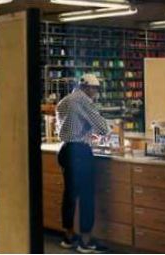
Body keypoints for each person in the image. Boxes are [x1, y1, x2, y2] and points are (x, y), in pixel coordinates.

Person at [55, 73, 110, 253]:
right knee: (86, 196)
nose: (96, 93)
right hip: (80, 152)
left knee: (69, 195)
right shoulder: (83, 100)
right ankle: (86, 241)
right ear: (88, 88)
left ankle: (68, 236)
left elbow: (67, 126)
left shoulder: (65, 100)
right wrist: (105, 129)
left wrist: (84, 130)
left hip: (65, 150)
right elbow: (103, 128)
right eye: (95, 89)